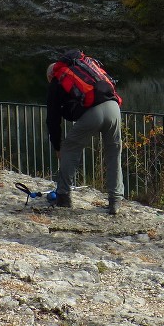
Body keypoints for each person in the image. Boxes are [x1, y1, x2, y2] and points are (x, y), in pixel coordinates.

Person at [45, 51, 123, 213]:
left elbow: (53, 120)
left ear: (51, 75)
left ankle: (63, 196)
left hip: (93, 114)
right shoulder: (86, 69)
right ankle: (115, 201)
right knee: (113, 153)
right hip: (114, 107)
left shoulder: (57, 81)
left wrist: (57, 147)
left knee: (69, 148)